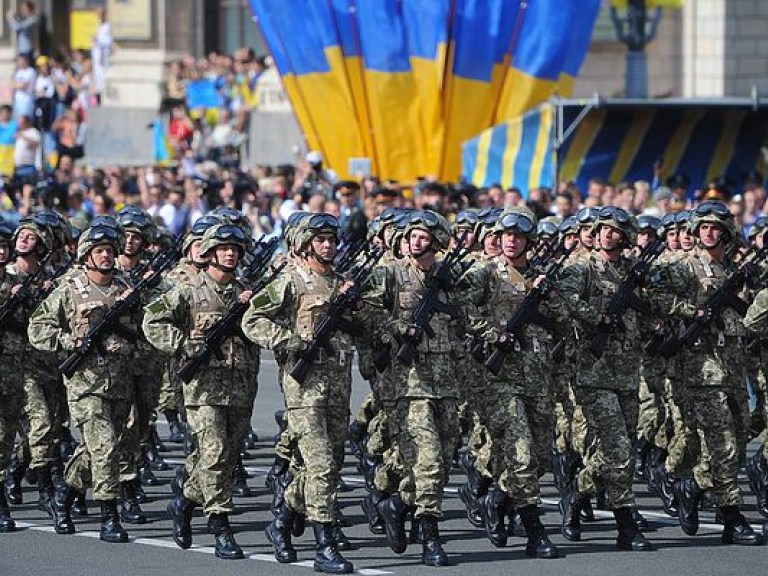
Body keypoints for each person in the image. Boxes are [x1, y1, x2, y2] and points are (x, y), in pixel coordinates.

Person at [241, 214, 357, 574]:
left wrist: (356, 302)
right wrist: (289, 340)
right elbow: (253, 319)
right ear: (306, 244)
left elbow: (363, 327)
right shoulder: (290, 280)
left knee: (328, 466)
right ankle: (324, 546)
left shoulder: (340, 282)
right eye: (320, 240)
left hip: (338, 385)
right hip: (303, 387)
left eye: (331, 240)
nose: (327, 246)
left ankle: (283, 518)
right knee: (320, 464)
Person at [142, 223, 258, 560]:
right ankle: (220, 526)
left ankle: (185, 501)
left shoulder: (244, 289)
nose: (230, 253)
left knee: (228, 456)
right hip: (203, 388)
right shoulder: (189, 290)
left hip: (240, 385)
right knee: (214, 451)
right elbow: (153, 320)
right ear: (208, 253)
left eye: (235, 248)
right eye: (223, 248)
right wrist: (184, 345)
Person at [549, 206, 654, 552]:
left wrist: (645, 288)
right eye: (604, 229)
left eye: (615, 231)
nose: (608, 235)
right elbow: (564, 300)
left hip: (626, 372)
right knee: (618, 448)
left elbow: (653, 312)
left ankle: (578, 494)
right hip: (593, 372)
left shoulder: (630, 271)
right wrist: (599, 318)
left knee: (618, 450)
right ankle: (625, 523)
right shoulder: (582, 267)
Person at [28, 224, 135, 543]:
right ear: (87, 254)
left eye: (110, 250)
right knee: (104, 449)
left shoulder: (124, 287)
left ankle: (63, 495)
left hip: (119, 383)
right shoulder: (70, 288)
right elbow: (38, 328)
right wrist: (69, 340)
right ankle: (109, 517)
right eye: (99, 250)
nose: (106, 255)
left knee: (97, 449)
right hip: (85, 385)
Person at [0, 221, 23, 532]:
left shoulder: (18, 283)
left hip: (13, 373)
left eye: (5, 246)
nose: (1, 251)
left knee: (6, 438)